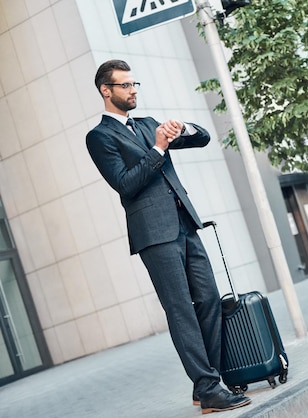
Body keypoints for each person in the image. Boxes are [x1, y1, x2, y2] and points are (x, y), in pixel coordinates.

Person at [86, 59, 251, 414]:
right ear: (106, 90)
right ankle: (208, 390)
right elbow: (125, 184)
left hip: (185, 225)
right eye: (125, 85)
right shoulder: (99, 137)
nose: (133, 91)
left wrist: (184, 127)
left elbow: (202, 138)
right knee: (181, 311)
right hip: (154, 235)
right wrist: (158, 149)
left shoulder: (146, 124)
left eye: (135, 84)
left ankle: (206, 382)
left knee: (207, 299)